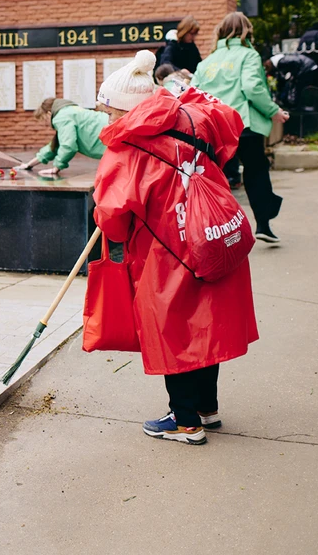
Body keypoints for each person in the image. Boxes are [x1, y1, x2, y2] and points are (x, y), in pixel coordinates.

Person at [93, 50, 258, 445]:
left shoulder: (126, 148)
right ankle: (206, 407)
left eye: (109, 111)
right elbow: (228, 124)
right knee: (206, 322)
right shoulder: (191, 119)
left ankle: (185, 422)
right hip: (210, 236)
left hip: (166, 252)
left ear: (124, 109)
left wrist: (105, 217)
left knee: (172, 331)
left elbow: (112, 218)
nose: (106, 119)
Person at [192, 12, 290, 243]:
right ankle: (263, 224)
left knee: (219, 178)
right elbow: (253, 88)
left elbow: (193, 92)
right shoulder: (248, 55)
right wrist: (273, 111)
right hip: (241, 124)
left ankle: (218, 230)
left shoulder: (207, 61)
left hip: (213, 127)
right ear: (247, 31)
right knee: (256, 171)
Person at [16, 97, 108, 176]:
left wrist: (56, 168)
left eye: (44, 120)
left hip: (109, 135)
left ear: (49, 114)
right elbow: (55, 146)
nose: (47, 125)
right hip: (111, 127)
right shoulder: (69, 110)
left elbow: (68, 145)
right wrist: (29, 165)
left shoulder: (61, 117)